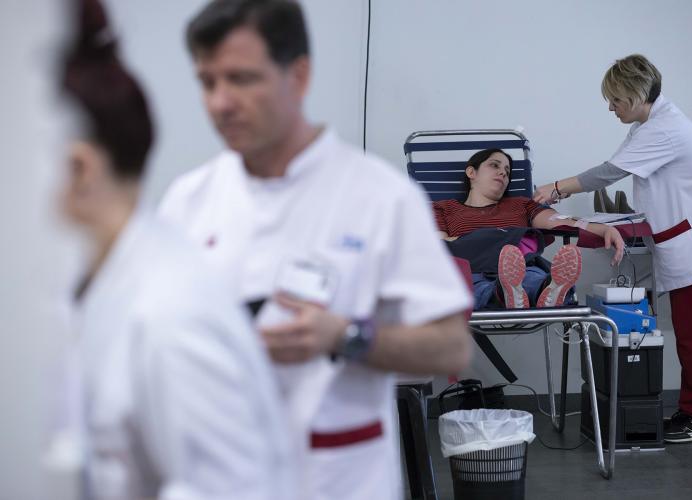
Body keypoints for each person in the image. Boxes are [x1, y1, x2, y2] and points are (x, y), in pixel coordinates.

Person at [157, 1, 472, 499]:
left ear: (298, 76)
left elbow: (451, 346)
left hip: (336, 478)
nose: (220, 102)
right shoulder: (187, 202)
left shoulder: (380, 198)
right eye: (207, 82)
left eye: (241, 79)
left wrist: (348, 336)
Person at [57, 0, 294, 498]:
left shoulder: (171, 318)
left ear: (80, 169)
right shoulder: (112, 285)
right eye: (208, 82)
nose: (222, 103)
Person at [533, 54, 692, 443]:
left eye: (615, 99)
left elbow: (610, 172)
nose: (610, 107)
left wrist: (556, 188)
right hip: (687, 243)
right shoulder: (648, 125)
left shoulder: (664, 130)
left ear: (634, 95)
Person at [433, 148, 625, 309]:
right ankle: (504, 292)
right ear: (471, 172)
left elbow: (557, 220)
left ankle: (546, 290)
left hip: (519, 265)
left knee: (532, 277)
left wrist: (601, 229)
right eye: (494, 165)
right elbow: (437, 245)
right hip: (471, 268)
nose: (503, 173)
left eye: (507, 171)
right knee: (470, 284)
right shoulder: (443, 208)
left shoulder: (521, 204)